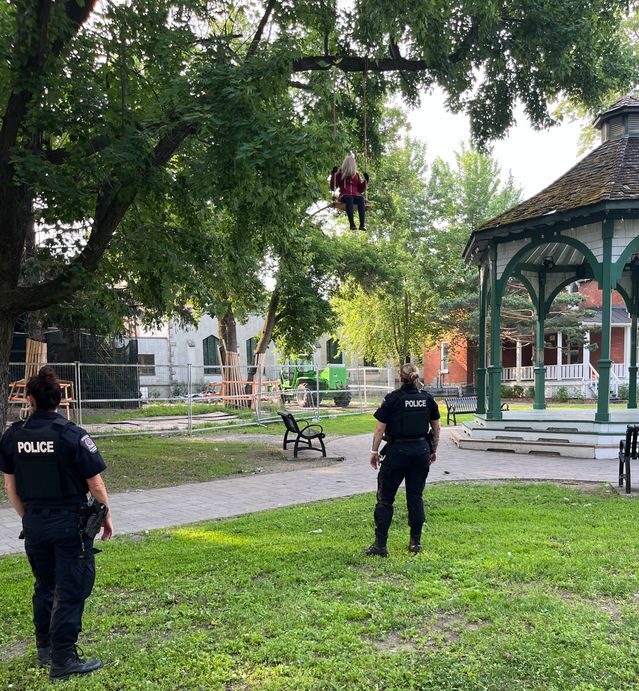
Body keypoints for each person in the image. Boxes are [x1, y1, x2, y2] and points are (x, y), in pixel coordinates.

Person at [0, 367, 114, 682]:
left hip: (34, 523)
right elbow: (97, 485)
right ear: (59, 400)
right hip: (70, 526)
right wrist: (106, 516)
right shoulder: (72, 435)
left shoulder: (13, 435)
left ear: (30, 399)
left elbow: (10, 488)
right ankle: (63, 660)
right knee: (72, 589)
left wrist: (29, 518)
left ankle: (45, 648)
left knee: (45, 585)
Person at [365, 363, 440, 557]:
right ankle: (415, 543)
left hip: (397, 452)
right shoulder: (428, 399)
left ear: (400, 377)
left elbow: (380, 429)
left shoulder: (392, 399)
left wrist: (374, 452)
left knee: (385, 499)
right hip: (421, 451)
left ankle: (380, 545)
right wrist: (432, 449)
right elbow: (436, 428)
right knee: (415, 497)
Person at [329, 154, 369, 231]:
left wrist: (366, 181)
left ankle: (362, 224)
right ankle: (352, 223)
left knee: (360, 199)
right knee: (349, 198)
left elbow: (360, 189)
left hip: (354, 195)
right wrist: (333, 175)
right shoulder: (340, 174)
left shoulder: (356, 175)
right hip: (344, 196)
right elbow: (333, 187)